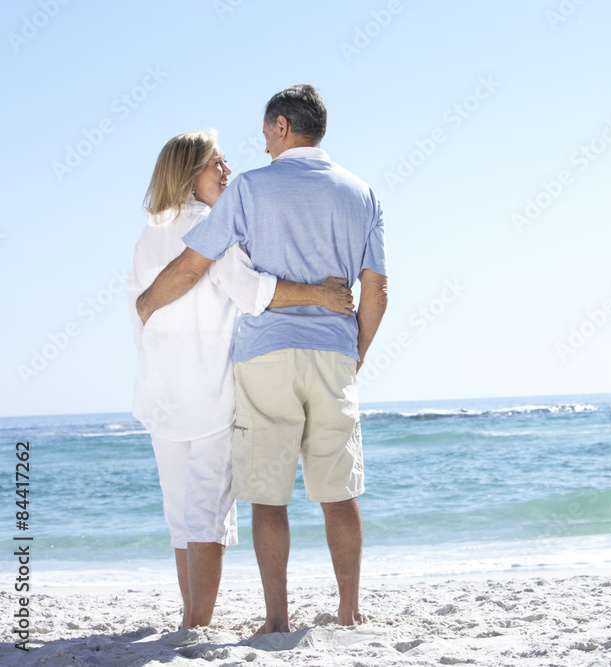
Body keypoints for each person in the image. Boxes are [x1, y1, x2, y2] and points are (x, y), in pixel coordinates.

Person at [136, 85, 388, 635]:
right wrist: (355, 354)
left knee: (267, 498)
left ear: (279, 126)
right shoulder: (362, 193)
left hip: (263, 359)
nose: (257, 148)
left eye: (264, 133)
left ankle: (276, 618)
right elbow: (377, 292)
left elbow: (194, 266)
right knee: (339, 492)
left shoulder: (247, 190)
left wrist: (145, 304)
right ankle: (350, 610)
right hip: (333, 356)